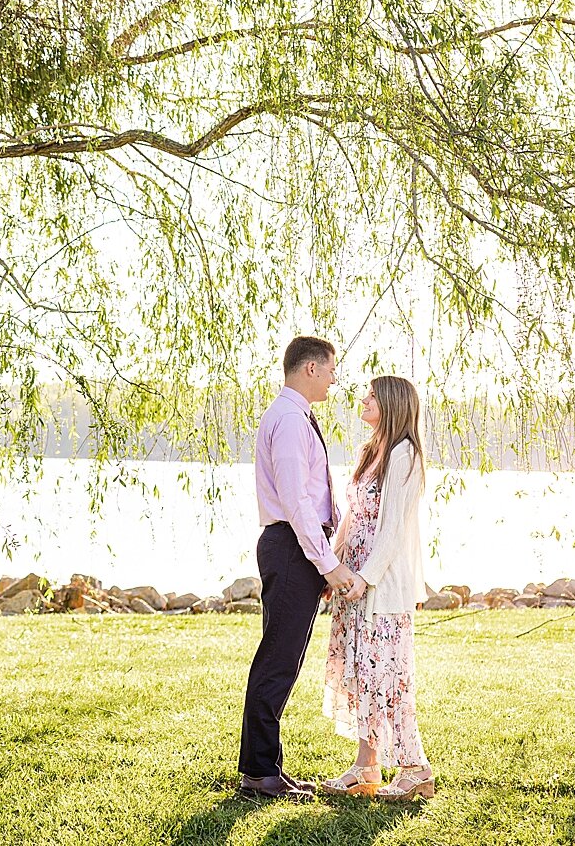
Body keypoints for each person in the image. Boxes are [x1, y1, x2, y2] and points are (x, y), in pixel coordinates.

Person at [238, 336, 358, 801]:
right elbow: (297, 502)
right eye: (331, 369)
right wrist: (327, 565)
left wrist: (320, 560)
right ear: (309, 368)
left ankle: (264, 768)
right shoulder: (289, 420)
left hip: (293, 548)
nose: (334, 378)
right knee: (278, 659)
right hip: (291, 546)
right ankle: (260, 774)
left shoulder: (293, 416)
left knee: (281, 659)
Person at [318, 375, 436, 801]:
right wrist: (332, 569)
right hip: (353, 579)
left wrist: (365, 578)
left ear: (391, 403)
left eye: (372, 394)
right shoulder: (372, 452)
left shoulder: (406, 455)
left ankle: (415, 769)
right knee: (362, 673)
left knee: (388, 676)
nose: (363, 399)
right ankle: (366, 766)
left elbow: (391, 529)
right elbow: (353, 519)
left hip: (380, 585)